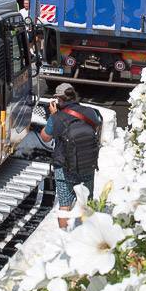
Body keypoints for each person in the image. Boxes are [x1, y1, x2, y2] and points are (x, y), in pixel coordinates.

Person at [38, 83, 101, 229]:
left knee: (65, 205)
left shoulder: (56, 118)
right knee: (86, 203)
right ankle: (88, 234)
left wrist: (54, 116)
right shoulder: (90, 112)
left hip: (64, 166)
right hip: (87, 163)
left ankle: (64, 235)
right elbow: (96, 125)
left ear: (59, 100)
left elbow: (45, 137)